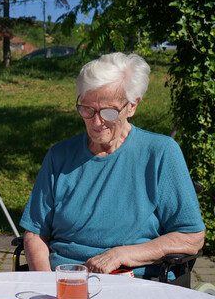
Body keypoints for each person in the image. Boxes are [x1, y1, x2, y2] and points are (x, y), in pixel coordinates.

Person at [20, 53, 205, 276]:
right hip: (64, 280)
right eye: (87, 109)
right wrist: (44, 284)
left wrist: (122, 254)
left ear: (132, 106)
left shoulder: (160, 152)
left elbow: (191, 237)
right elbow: (35, 233)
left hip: (133, 283)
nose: (97, 122)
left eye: (109, 111)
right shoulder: (59, 156)